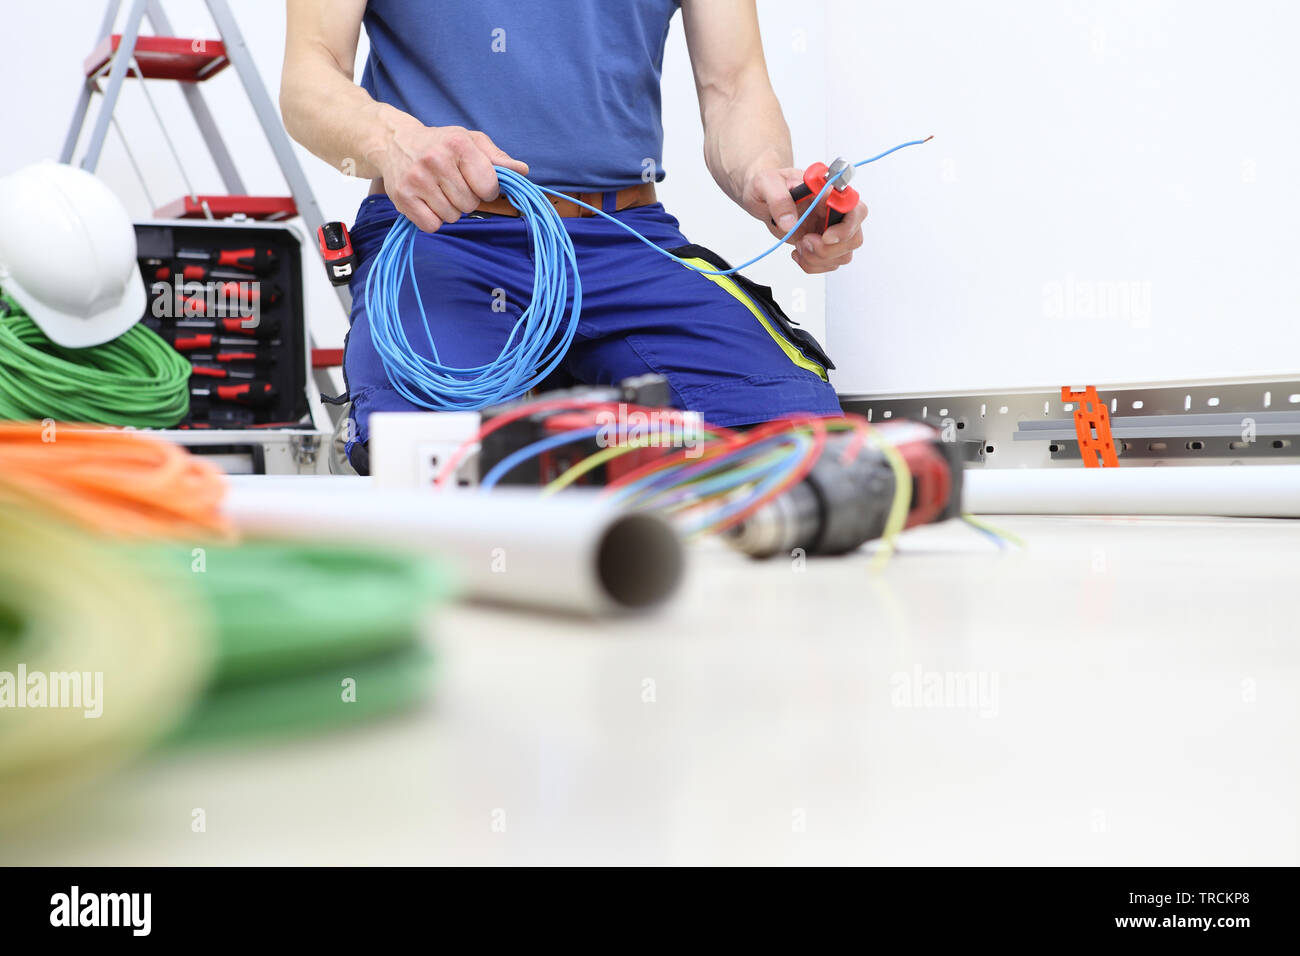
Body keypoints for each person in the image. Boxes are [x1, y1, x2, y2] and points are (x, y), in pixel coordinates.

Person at [281, 0, 866, 473]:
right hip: (442, 237)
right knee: (436, 456)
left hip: (625, 242)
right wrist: (392, 141)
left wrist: (764, 174)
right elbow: (309, 75)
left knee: (805, 451)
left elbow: (735, 86)